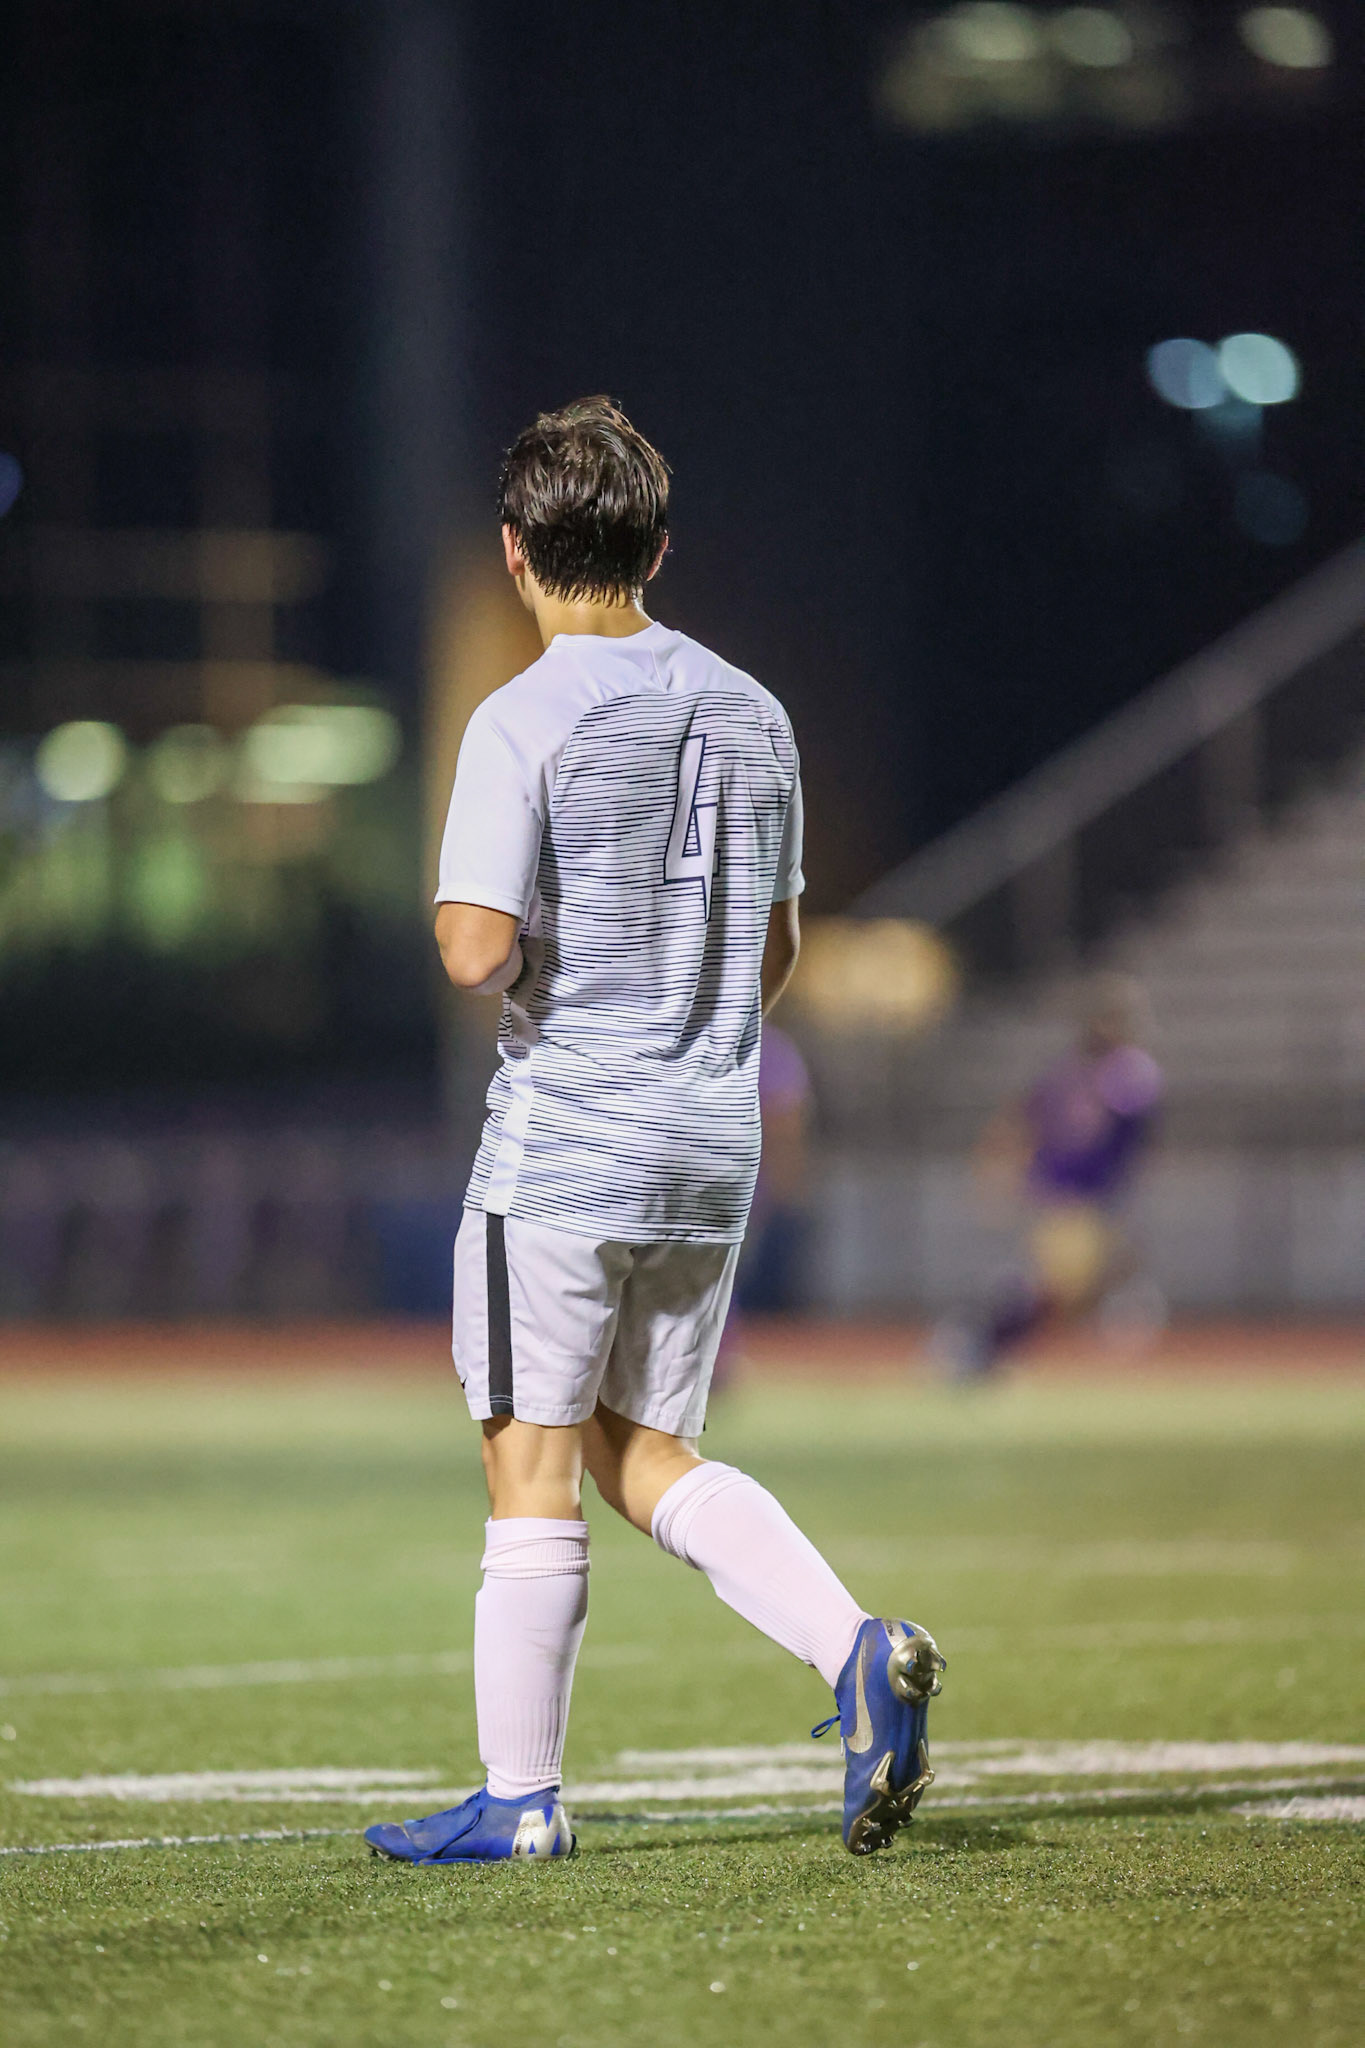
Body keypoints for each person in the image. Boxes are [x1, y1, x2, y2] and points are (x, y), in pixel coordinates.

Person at [365, 398, 943, 1867]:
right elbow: (778, 947)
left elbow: (475, 951)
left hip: (565, 1141)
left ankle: (521, 1802)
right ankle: (856, 1648)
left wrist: (471, 912)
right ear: (656, 546)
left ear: (514, 552)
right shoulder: (756, 709)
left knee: (527, 1458)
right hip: (706, 1136)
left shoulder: (518, 716)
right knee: (636, 1448)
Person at [938, 975, 1163, 1380]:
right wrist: (1000, 1171)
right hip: (1071, 1198)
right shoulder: (1088, 1075)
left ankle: (984, 1343)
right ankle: (978, 1340)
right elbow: (1028, 1120)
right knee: (1059, 1291)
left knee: (1072, 1292)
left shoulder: (1108, 1074)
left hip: (1092, 1199)